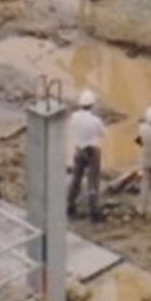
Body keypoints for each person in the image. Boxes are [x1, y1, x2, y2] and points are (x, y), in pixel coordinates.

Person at [67, 88, 105, 222]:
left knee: (76, 178)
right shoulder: (95, 120)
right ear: (92, 105)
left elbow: (72, 128)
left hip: (79, 150)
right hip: (92, 151)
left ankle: (70, 205)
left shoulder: (74, 117)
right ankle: (94, 211)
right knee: (93, 181)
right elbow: (102, 133)